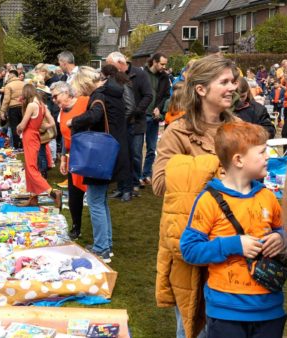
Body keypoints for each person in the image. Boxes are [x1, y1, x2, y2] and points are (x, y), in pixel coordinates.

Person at [153, 56, 238, 338]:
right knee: (194, 327)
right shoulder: (178, 132)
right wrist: (215, 170)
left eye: (233, 81)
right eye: (224, 82)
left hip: (235, 246)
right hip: (193, 245)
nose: (232, 87)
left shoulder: (239, 129)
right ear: (201, 89)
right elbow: (159, 183)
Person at [180, 121, 287, 338]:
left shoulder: (267, 196)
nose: (268, 156)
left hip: (270, 310)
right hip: (226, 313)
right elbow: (189, 249)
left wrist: (282, 238)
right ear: (238, 160)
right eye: (262, 151)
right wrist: (234, 244)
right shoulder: (209, 200)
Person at [69, 67, 129, 263]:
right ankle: (106, 244)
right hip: (114, 152)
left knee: (95, 202)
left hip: (101, 156)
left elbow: (94, 116)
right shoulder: (114, 92)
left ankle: (101, 248)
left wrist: (74, 121)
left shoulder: (99, 95)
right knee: (100, 201)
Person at [106, 51, 153, 201]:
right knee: (122, 155)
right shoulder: (117, 76)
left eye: (111, 65)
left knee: (135, 154)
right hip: (124, 121)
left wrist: (136, 112)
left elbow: (148, 95)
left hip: (136, 121)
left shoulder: (139, 74)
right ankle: (124, 186)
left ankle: (134, 183)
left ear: (120, 63)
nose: (109, 69)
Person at [51, 81, 89, 240]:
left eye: (55, 96)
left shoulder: (84, 102)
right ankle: (76, 227)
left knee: (92, 195)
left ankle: (102, 237)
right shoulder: (62, 112)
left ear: (66, 92)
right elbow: (65, 140)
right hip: (74, 156)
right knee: (74, 194)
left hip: (88, 154)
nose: (53, 100)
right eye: (52, 97)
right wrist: (64, 160)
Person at [16, 84, 62, 209]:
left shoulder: (31, 105)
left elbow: (23, 124)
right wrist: (42, 126)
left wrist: (18, 129)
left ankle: (52, 192)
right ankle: (33, 197)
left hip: (29, 136)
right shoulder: (42, 105)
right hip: (35, 136)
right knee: (30, 166)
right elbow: (52, 122)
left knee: (31, 168)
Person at [141, 53, 170, 187]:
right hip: (141, 115)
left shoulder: (165, 77)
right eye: (162, 64)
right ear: (154, 62)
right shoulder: (142, 75)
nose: (165, 67)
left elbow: (165, 96)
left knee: (152, 148)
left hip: (154, 117)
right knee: (137, 148)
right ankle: (136, 177)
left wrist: (159, 108)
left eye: (165, 64)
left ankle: (146, 174)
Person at [0, 69, 24, 149]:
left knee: (14, 127)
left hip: (13, 108)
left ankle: (16, 145)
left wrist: (2, 111)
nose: (8, 76)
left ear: (11, 76)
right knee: (23, 126)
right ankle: (23, 144)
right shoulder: (23, 84)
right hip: (23, 107)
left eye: (9, 75)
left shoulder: (8, 85)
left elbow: (6, 100)